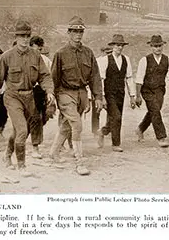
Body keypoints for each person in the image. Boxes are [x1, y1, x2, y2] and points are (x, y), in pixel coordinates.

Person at [0, 21, 54, 177]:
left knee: (21, 130)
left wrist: (49, 91)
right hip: (12, 97)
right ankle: (21, 165)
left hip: (29, 96)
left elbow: (45, 75)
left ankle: (7, 155)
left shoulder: (36, 55)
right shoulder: (7, 56)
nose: (25, 39)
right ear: (16, 37)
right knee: (22, 129)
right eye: (22, 36)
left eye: (27, 36)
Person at [49, 16, 103, 176]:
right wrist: (52, 99)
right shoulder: (61, 54)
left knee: (67, 125)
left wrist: (98, 96)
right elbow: (53, 78)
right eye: (74, 31)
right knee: (77, 125)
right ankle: (80, 162)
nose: (78, 34)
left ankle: (53, 152)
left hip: (81, 94)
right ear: (68, 33)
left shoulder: (88, 53)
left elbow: (95, 76)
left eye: (80, 31)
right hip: (65, 93)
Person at [135, 35, 169, 148]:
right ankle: (161, 137)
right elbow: (139, 79)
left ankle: (140, 129)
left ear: (163, 46)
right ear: (151, 46)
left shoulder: (167, 60)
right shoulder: (145, 60)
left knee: (154, 111)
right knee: (155, 110)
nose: (158, 48)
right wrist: (137, 96)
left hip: (160, 90)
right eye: (155, 46)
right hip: (147, 90)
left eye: (160, 46)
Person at [96, 35, 136, 152]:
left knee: (116, 117)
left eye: (121, 45)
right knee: (116, 117)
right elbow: (101, 79)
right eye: (117, 45)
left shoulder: (126, 59)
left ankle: (102, 131)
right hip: (109, 93)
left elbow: (129, 78)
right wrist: (102, 96)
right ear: (112, 46)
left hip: (120, 93)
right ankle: (116, 144)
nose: (119, 47)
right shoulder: (105, 60)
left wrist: (132, 96)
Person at [29, 35, 53, 159]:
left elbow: (49, 77)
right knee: (35, 118)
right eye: (34, 49)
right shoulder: (26, 59)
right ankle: (35, 147)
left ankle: (33, 133)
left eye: (39, 49)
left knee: (44, 117)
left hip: (42, 91)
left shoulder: (46, 60)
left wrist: (50, 91)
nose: (37, 52)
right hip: (29, 91)